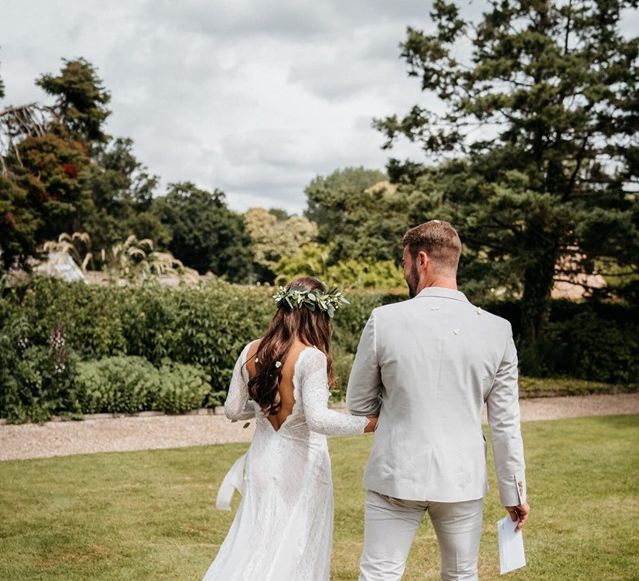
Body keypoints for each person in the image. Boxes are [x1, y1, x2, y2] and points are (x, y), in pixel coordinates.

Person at [347, 220, 529, 581]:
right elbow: (505, 422)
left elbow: (358, 404)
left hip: (395, 473)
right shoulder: (497, 329)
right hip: (461, 476)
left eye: (404, 262)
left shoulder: (384, 320)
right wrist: (514, 491)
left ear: (422, 260)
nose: (404, 271)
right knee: (461, 575)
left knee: (379, 574)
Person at [202, 276, 377, 581]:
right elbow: (319, 420)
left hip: (262, 461)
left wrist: (259, 408)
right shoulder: (311, 358)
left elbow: (231, 409)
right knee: (296, 546)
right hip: (303, 466)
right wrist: (370, 423)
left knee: (255, 540)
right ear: (318, 315)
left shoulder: (250, 352)